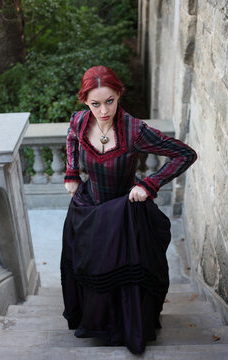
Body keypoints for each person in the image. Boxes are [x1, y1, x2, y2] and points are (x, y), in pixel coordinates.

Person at [60, 65, 197, 354]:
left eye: (109, 101)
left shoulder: (135, 130)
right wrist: (72, 172)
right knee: (91, 268)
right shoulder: (79, 122)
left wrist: (150, 184)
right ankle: (98, 323)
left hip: (124, 210)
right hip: (90, 209)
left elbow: (185, 154)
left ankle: (125, 328)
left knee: (124, 272)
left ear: (119, 94)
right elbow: (71, 139)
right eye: (95, 103)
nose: (103, 110)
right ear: (85, 101)